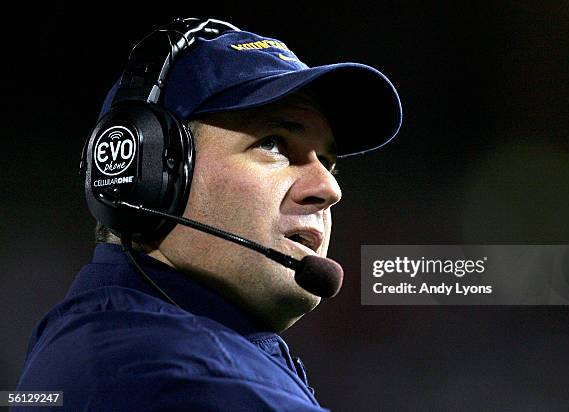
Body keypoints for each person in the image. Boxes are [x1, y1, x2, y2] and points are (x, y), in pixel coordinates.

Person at [14, 18, 401, 411]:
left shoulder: (103, 335)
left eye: (328, 162)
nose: (329, 189)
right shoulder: (192, 378)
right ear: (149, 173)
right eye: (274, 144)